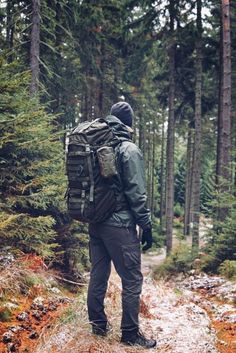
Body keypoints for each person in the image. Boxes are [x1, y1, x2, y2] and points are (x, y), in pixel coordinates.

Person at [87, 102, 156, 348]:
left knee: (98, 274)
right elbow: (136, 193)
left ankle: (97, 327)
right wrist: (145, 225)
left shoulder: (94, 144)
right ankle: (130, 334)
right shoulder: (127, 148)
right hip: (119, 224)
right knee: (132, 279)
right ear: (129, 124)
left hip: (95, 222)